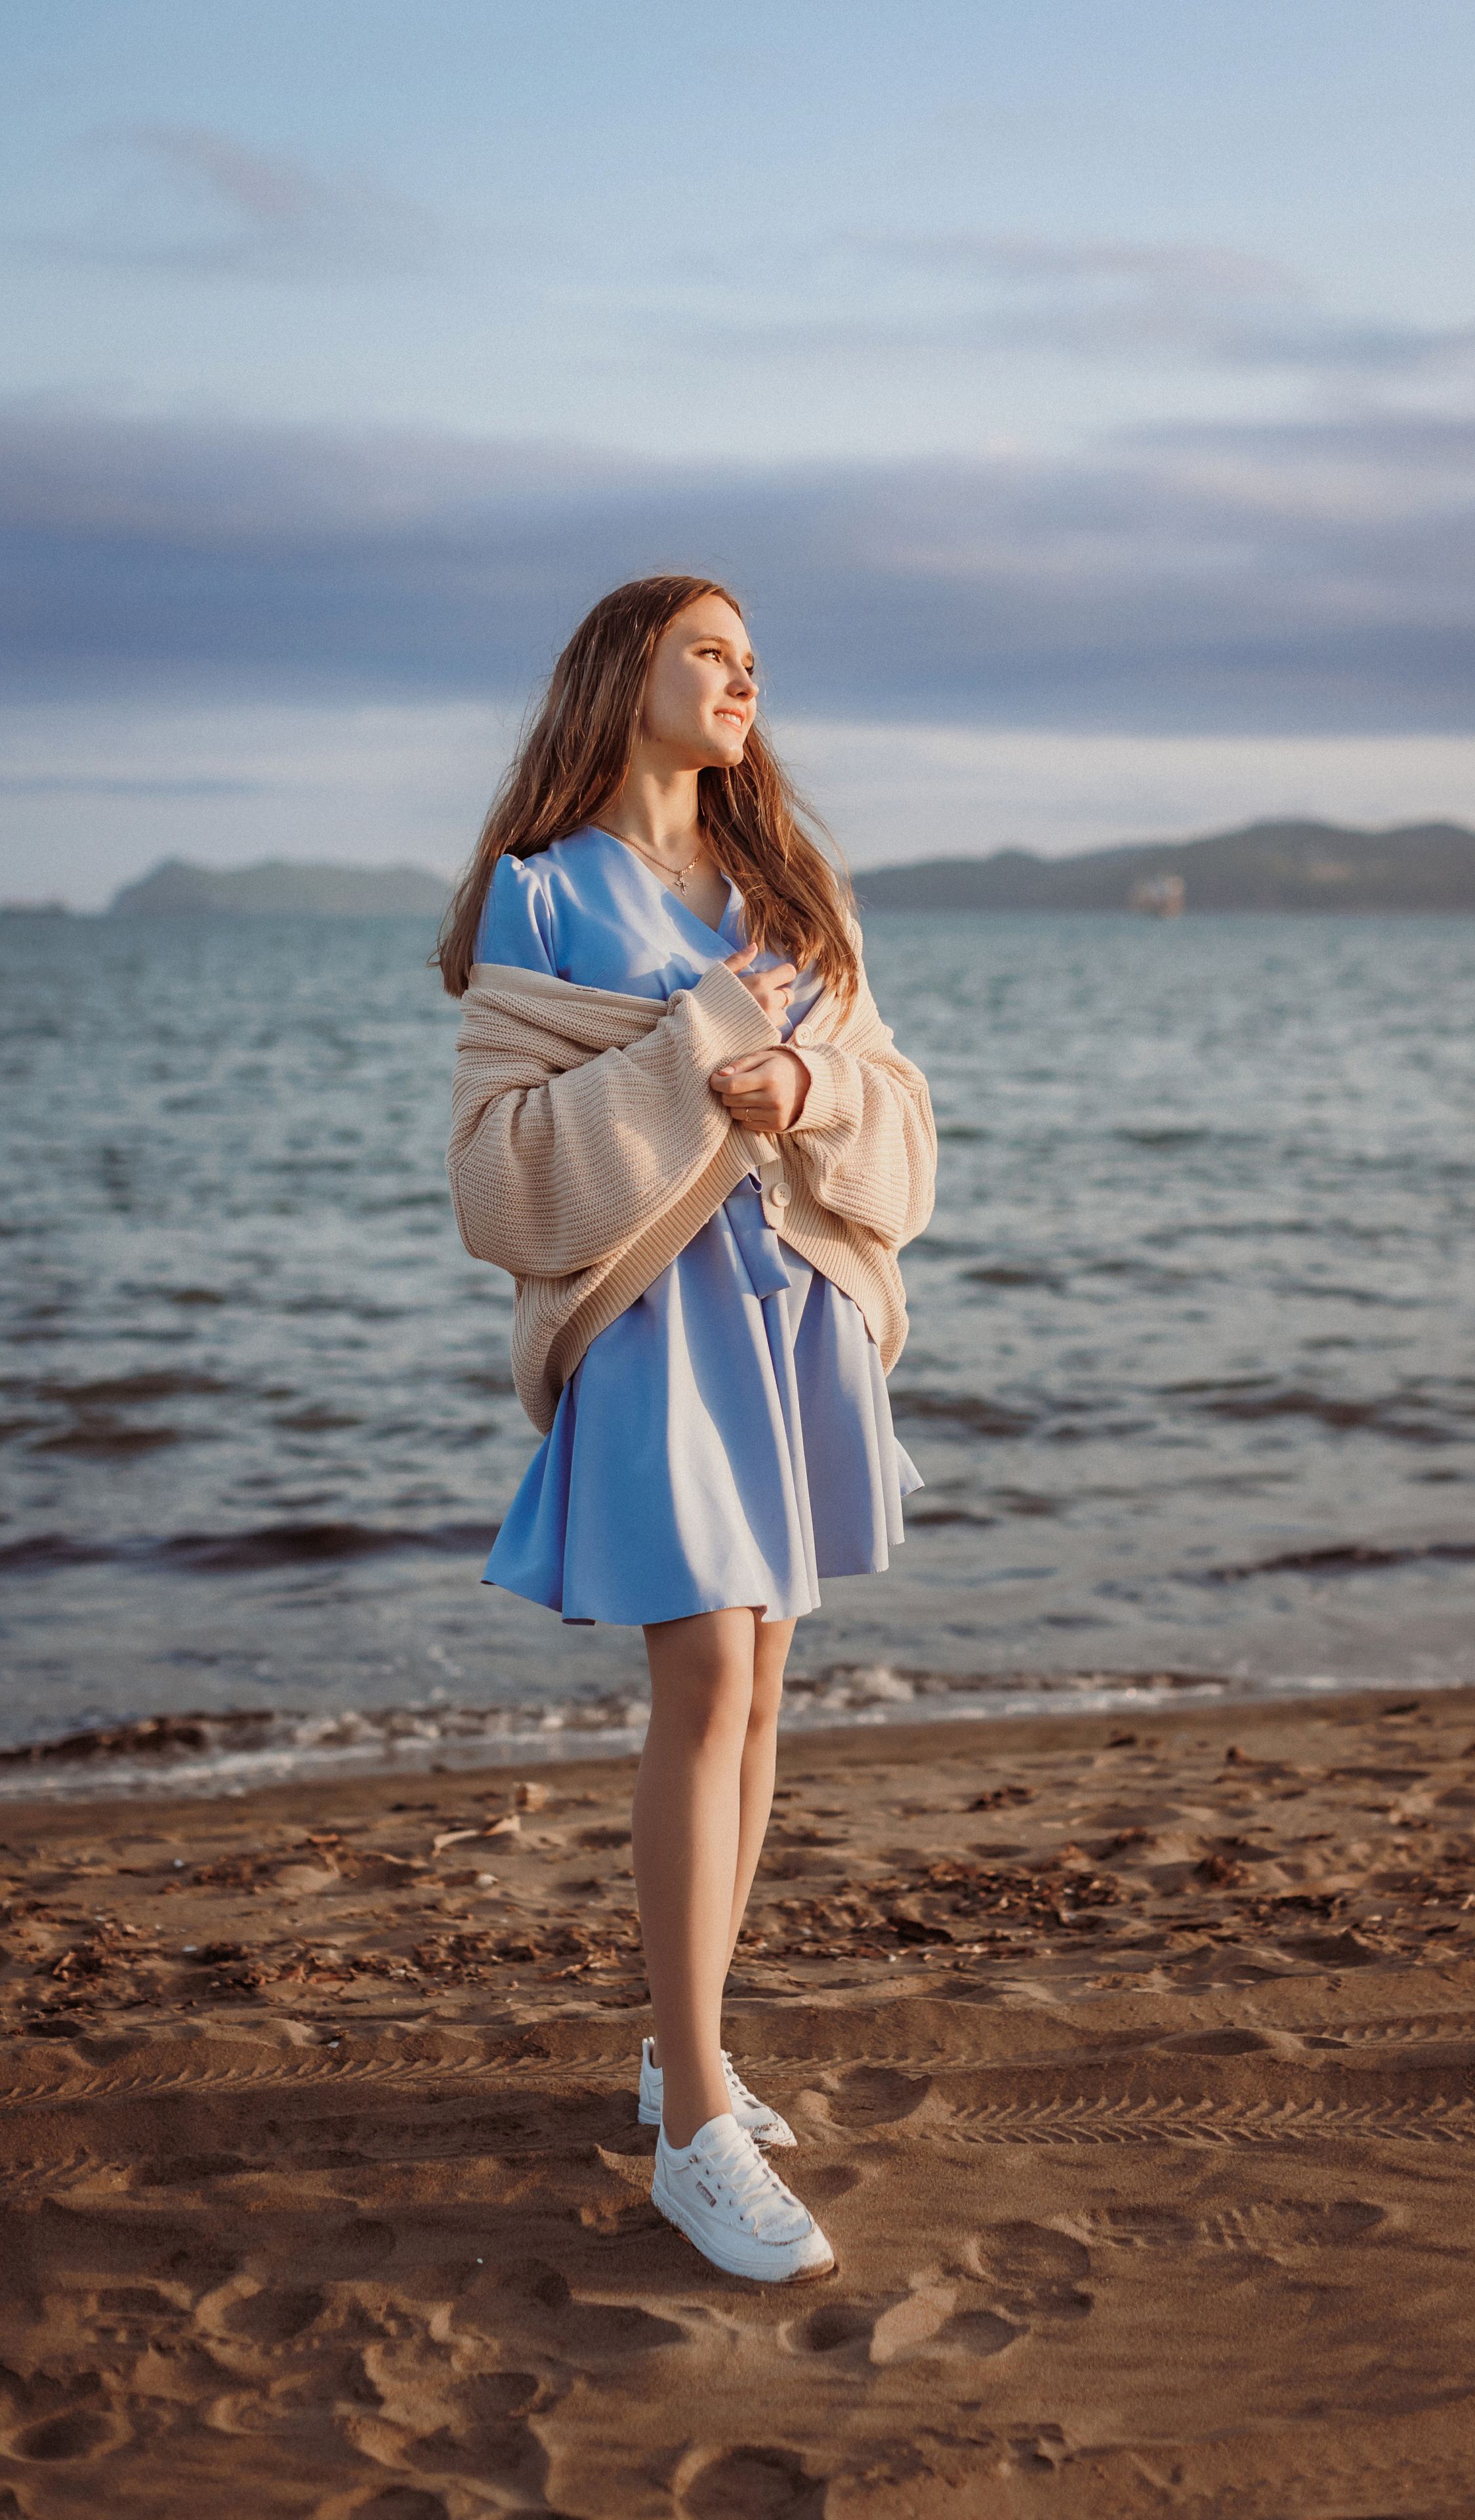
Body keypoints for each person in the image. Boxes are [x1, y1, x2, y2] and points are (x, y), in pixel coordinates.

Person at [438, 575, 936, 2282]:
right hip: (655, 1329)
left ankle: (685, 2043)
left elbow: (897, 1114)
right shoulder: (541, 894)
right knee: (709, 1680)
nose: (742, 679)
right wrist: (709, 1046)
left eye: (751, 660)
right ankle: (696, 2126)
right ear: (622, 677)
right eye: (706, 652)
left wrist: (811, 1086)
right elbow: (499, 1176)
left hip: (789, 1319)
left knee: (764, 1685)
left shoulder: (793, 889)